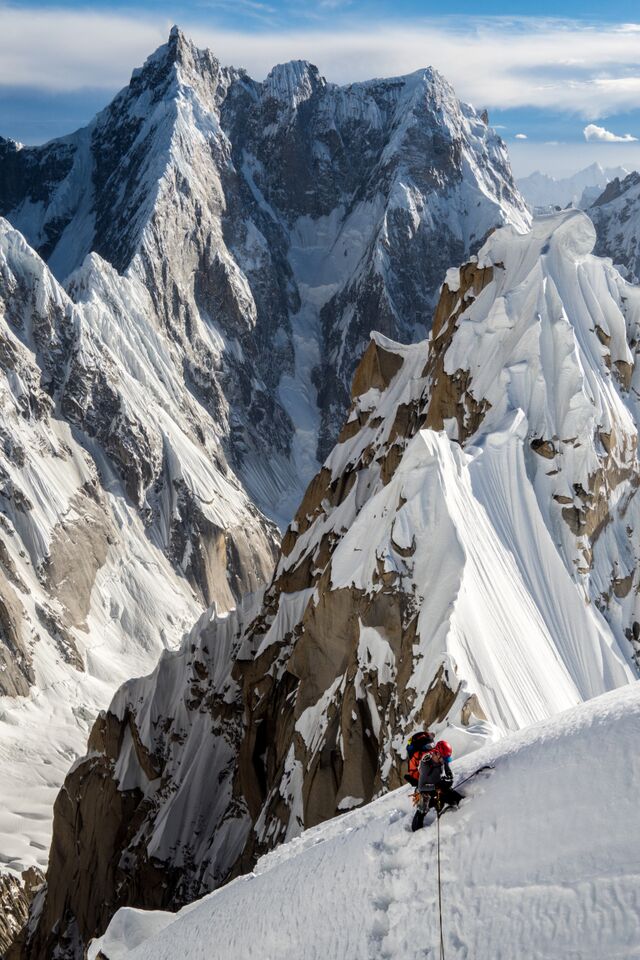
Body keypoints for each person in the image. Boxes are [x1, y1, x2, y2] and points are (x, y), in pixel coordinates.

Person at [411, 740, 463, 832]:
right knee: (422, 808)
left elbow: (447, 767)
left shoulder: (442, 758)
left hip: (438, 787)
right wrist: (436, 786)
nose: (445, 761)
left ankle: (460, 807)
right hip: (426, 790)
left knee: (454, 796)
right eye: (443, 758)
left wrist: (449, 776)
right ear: (437, 754)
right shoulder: (426, 763)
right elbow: (421, 787)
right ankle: (416, 830)